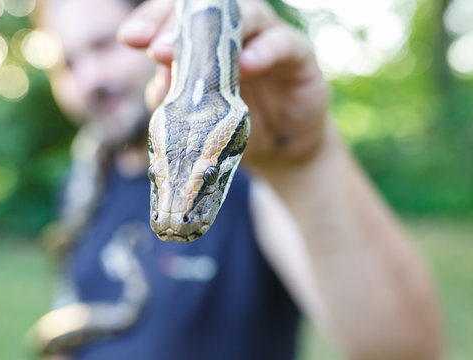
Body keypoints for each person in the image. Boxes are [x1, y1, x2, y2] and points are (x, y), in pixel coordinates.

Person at [32, 0, 443, 359]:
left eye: (105, 44)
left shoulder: (260, 184)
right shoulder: (83, 183)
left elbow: (405, 353)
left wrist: (305, 165)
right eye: (67, 62)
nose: (90, 79)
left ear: (159, 33)